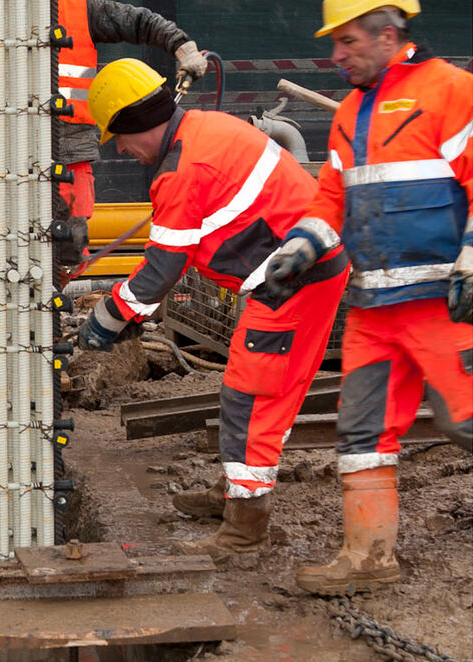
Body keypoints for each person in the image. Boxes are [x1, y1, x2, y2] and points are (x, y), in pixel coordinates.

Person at [76, 58, 349, 562]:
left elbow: (159, 273)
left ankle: (245, 532)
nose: (120, 149)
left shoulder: (182, 170)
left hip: (286, 281)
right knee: (271, 395)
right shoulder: (206, 130)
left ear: (137, 123)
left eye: (119, 136)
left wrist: (105, 321)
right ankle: (237, 498)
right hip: (311, 267)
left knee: (248, 400)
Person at [265, 0, 472, 595]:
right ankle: (369, 558)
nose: (336, 56)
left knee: (467, 422)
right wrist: (300, 250)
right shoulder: (351, 112)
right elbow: (331, 199)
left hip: (444, 306)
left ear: (388, 35)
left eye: (347, 42)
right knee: (361, 435)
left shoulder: (453, 92)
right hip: (374, 310)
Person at [51, 0, 208, 269]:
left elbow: (138, 21)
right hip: (7, 156)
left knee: (70, 251)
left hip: (70, 154)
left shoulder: (77, 9)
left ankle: (53, 303)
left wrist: (182, 47)